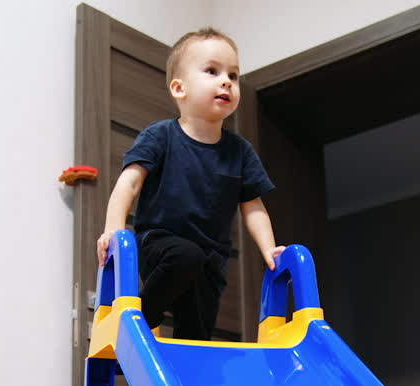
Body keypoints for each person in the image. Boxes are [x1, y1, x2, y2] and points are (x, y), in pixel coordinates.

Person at [95, 28, 284, 340]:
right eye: (212, 71)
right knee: (186, 256)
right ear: (179, 88)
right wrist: (113, 231)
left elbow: (254, 208)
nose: (226, 81)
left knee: (196, 337)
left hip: (212, 260)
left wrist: (269, 250)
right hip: (159, 244)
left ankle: (181, 383)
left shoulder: (240, 152)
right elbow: (128, 184)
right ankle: (136, 327)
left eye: (234, 76)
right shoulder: (161, 136)